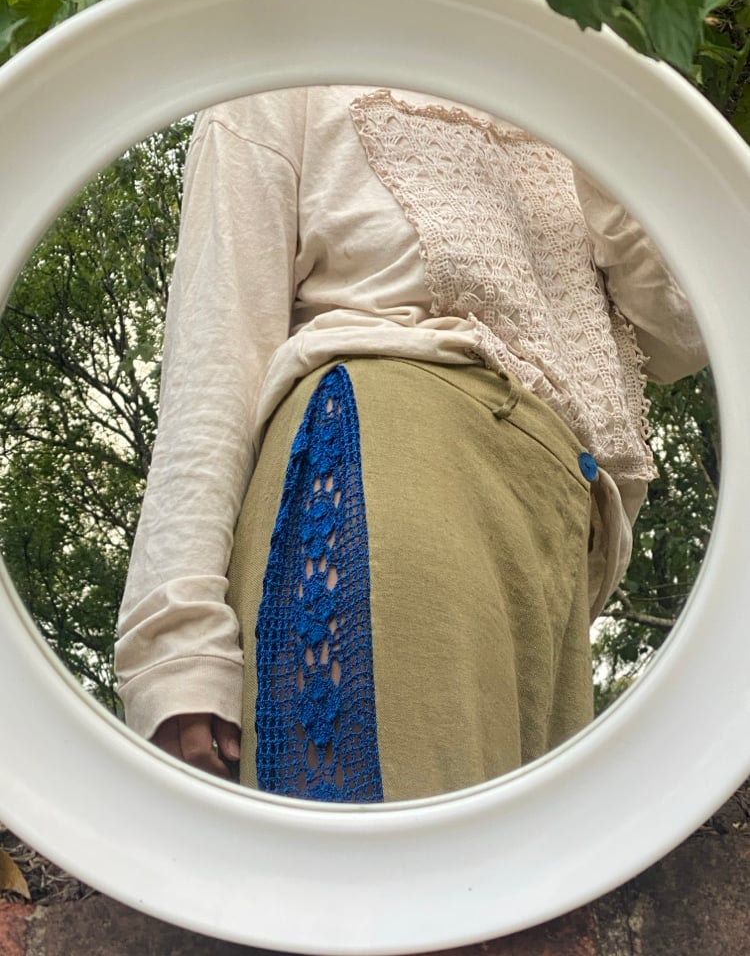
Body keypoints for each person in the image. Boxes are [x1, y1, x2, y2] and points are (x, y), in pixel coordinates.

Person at [114, 86, 707, 803]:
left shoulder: (562, 110)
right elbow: (216, 349)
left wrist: (585, 94)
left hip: (560, 542)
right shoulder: (295, 71)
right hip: (387, 467)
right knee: (376, 852)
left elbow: (689, 329)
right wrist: (175, 640)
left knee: (510, 869)